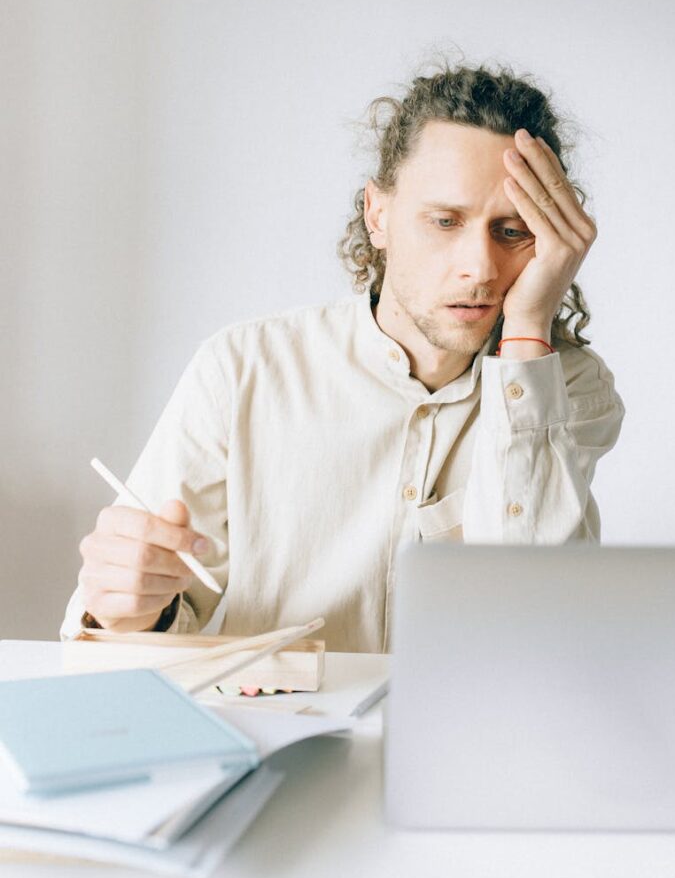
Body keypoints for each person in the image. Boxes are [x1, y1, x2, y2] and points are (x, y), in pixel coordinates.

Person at [61, 61, 625, 651]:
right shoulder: (243, 369)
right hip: (278, 727)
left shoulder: (566, 388)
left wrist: (531, 325)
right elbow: (129, 625)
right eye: (444, 220)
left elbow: (534, 624)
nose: (479, 269)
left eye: (512, 231)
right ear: (377, 215)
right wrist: (131, 609)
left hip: (473, 735)